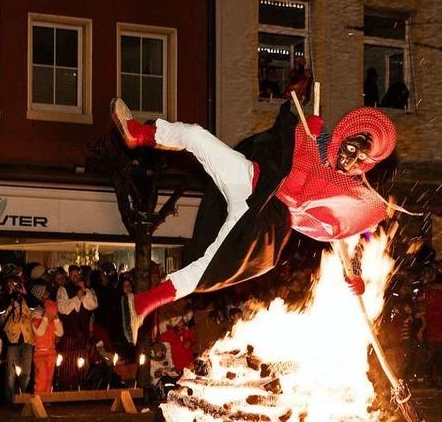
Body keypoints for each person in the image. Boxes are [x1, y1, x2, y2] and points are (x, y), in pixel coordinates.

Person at [111, 95, 399, 344]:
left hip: (263, 221)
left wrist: (354, 275)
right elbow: (280, 146)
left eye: (360, 159)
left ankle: (142, 305)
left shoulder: (346, 191)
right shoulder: (313, 139)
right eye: (351, 149)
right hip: (252, 179)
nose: (351, 161)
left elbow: (341, 235)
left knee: (207, 268)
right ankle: (137, 133)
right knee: (196, 135)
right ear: (344, 136)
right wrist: (301, 131)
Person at [56, 265, 98, 390]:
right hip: (70, 333)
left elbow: (93, 305)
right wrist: (76, 298)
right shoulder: (63, 289)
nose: (75, 276)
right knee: (69, 362)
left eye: (77, 274)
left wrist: (84, 291)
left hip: (83, 332)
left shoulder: (88, 290)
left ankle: (81, 386)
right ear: (69, 275)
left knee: (82, 359)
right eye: (72, 274)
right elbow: (62, 308)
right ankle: (68, 387)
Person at [2, 276, 34, 403]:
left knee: (26, 372)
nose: (16, 287)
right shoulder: (6, 298)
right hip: (12, 340)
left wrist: (25, 293)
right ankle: (11, 400)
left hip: (27, 340)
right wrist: (9, 295)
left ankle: (23, 398)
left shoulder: (28, 300)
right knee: (11, 373)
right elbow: (0, 311)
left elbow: (34, 306)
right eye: (13, 284)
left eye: (18, 284)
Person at [31, 287, 64, 394]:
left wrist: (56, 318)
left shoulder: (51, 315)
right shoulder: (36, 314)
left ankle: (47, 398)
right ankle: (39, 399)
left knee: (49, 378)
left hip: (51, 352)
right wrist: (46, 317)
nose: (47, 294)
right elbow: (39, 333)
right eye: (44, 293)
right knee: (42, 376)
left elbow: (60, 333)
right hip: (40, 353)